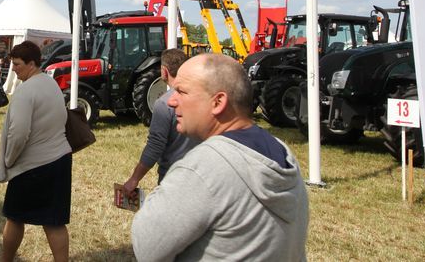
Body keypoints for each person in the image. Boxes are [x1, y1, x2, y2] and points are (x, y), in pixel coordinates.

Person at [131, 54, 309, 261]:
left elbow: (145, 246)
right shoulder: (283, 152)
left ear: (218, 102)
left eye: (181, 91)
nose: (171, 101)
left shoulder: (204, 167)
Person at [0, 41, 72, 262]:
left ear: (32, 63)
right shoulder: (51, 85)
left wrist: (9, 160)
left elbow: (18, 133)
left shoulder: (25, 90)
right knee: (54, 221)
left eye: (18, 64)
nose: (14, 69)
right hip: (59, 160)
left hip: (32, 166)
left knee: (14, 218)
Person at [121, 48, 195, 197]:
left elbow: (155, 146)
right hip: (200, 177)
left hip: (173, 178)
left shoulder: (164, 104)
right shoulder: (202, 99)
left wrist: (134, 179)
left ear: (164, 71)